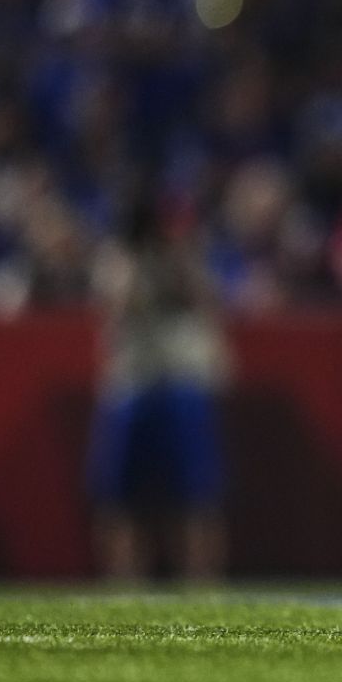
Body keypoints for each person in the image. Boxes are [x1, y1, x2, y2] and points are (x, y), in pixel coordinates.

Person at [86, 203, 232, 580]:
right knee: (120, 497)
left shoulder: (191, 256)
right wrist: (139, 261)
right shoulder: (119, 257)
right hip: (132, 381)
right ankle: (123, 580)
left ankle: (202, 579)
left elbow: (206, 299)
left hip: (183, 378)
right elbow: (118, 304)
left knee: (196, 495)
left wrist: (179, 259)